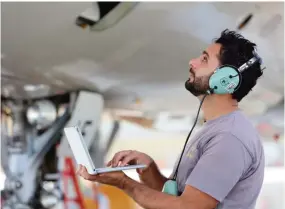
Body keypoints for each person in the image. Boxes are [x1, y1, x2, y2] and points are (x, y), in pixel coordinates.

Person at [77, 29, 265, 209]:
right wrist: (149, 170)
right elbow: (179, 198)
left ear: (225, 79)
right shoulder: (216, 129)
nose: (192, 62)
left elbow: (188, 207)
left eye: (204, 60)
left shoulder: (229, 138)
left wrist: (124, 183)